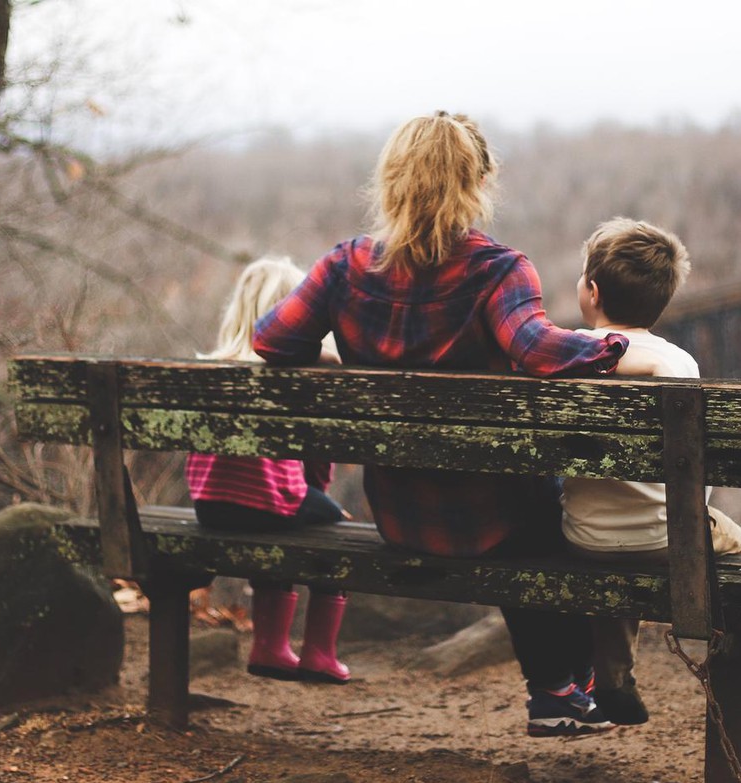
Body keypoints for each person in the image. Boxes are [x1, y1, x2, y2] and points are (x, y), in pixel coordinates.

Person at [253, 111, 637, 736]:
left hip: (400, 516)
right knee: (548, 507)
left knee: (528, 504)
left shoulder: (344, 266)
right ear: (477, 182)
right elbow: (538, 350)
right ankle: (563, 688)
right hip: (495, 522)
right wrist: (617, 347)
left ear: (391, 180)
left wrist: (328, 355)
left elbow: (270, 340)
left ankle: (565, 690)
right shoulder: (498, 270)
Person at [561, 217, 741, 725]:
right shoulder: (679, 363)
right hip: (670, 538)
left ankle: (614, 677)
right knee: (718, 534)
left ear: (591, 291)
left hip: (583, 535)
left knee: (621, 532)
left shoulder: (568, 355)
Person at [185, 256, 351, 684]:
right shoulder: (295, 373)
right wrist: (322, 500)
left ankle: (270, 647)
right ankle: (318, 654)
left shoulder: (211, 368)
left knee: (278, 517)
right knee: (335, 529)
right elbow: (316, 458)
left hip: (209, 506)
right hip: (269, 503)